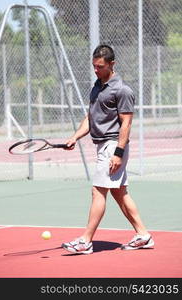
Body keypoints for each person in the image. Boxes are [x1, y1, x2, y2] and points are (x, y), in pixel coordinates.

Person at [62, 44, 154, 254]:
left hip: (113, 145)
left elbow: (126, 123)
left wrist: (118, 153)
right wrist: (75, 137)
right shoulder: (96, 86)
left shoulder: (122, 90)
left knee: (98, 191)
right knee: (120, 193)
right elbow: (90, 118)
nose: (96, 70)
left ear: (112, 64)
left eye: (100, 66)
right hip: (102, 145)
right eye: (94, 66)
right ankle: (143, 235)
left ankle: (85, 241)